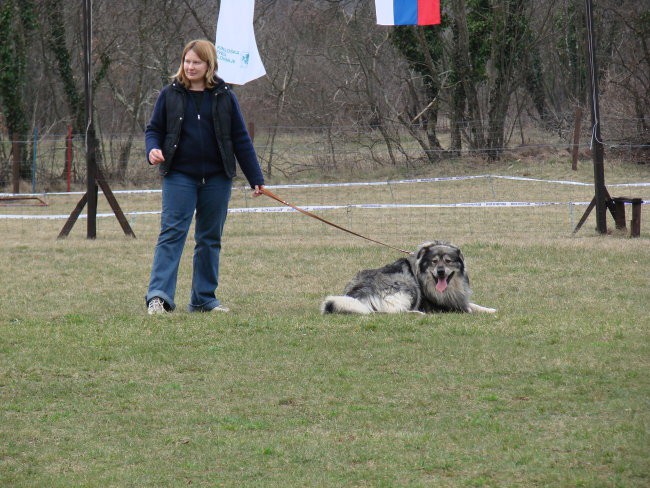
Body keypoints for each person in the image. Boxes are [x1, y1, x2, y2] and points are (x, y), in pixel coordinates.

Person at [145, 39, 265, 315]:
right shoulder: (169, 95)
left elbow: (240, 139)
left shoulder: (225, 97)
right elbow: (153, 130)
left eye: (196, 62)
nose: (190, 67)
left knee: (210, 237)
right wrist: (152, 149)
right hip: (179, 176)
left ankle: (203, 299)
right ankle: (159, 297)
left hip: (216, 178)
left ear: (209, 65)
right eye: (187, 61)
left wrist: (255, 177)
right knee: (172, 234)